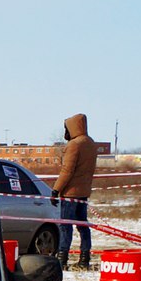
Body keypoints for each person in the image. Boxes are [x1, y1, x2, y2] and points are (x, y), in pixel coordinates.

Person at [52, 113, 100, 269]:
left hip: (70, 193)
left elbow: (67, 170)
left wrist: (56, 189)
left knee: (65, 226)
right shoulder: (90, 143)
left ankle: (62, 259)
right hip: (84, 193)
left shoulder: (74, 145)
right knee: (83, 226)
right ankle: (85, 257)